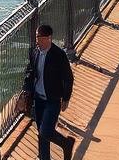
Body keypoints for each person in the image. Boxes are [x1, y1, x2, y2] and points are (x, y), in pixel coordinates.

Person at [20, 24, 76, 160]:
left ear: (49, 38)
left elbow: (68, 78)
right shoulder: (34, 52)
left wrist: (66, 98)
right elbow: (30, 71)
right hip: (38, 98)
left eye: (39, 37)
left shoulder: (59, 55)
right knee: (41, 131)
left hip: (53, 99)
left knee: (45, 131)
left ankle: (66, 143)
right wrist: (26, 89)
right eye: (36, 37)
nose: (37, 40)